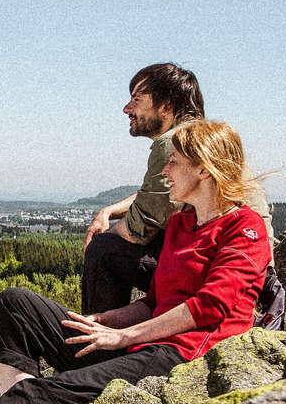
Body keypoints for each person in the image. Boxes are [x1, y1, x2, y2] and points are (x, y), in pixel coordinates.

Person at [0, 120, 271, 404]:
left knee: (54, 390)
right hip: (142, 344)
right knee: (15, 305)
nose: (166, 170)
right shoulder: (181, 224)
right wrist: (106, 321)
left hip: (183, 356)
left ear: (204, 169)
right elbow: (153, 301)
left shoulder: (244, 228)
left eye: (174, 160)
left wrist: (122, 337)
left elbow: (209, 307)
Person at [81, 64, 204, 314]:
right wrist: (108, 211)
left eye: (136, 100)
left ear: (167, 106)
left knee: (104, 250)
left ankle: (97, 343)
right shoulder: (200, 137)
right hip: (238, 266)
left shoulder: (172, 144)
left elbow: (140, 229)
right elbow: (159, 195)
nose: (127, 109)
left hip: (205, 273)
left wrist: (99, 239)